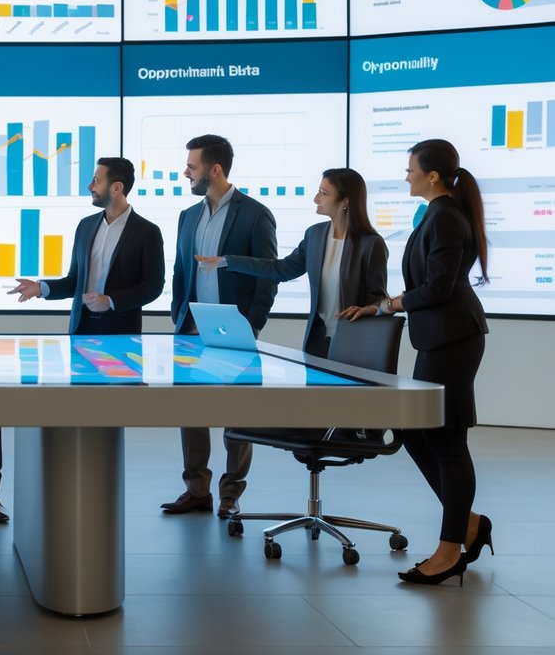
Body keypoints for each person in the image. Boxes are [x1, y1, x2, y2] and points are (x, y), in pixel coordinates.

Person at [340, 139, 490, 586]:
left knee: (446, 440)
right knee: (415, 431)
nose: (406, 176)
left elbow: (439, 288)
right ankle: (467, 523)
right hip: (438, 338)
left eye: (411, 170)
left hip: (454, 338)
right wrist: (382, 306)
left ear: (433, 176)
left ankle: (450, 551)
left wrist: (388, 305)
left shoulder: (445, 217)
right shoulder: (436, 215)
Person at [163, 134, 277, 519]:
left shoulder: (255, 214)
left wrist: (254, 324)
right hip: (192, 330)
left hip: (236, 330)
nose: (185, 173)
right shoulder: (188, 215)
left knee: (236, 413)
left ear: (214, 170)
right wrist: (179, 314)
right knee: (190, 413)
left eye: (191, 167)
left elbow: (267, 277)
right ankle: (196, 490)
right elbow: (181, 270)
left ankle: (230, 493)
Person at [195, 168, 387, 358]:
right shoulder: (315, 235)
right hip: (317, 342)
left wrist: (374, 308)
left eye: (324, 193)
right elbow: (282, 269)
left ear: (345, 201)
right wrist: (228, 261)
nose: (316, 198)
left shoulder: (371, 245)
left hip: (355, 343)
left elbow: (377, 300)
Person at [9, 156, 165, 334]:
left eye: (97, 181)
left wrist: (111, 300)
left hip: (121, 332)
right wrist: (41, 288)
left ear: (117, 187)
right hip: (81, 328)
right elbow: (74, 281)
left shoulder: (147, 232)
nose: (90, 187)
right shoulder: (85, 226)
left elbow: (153, 286)